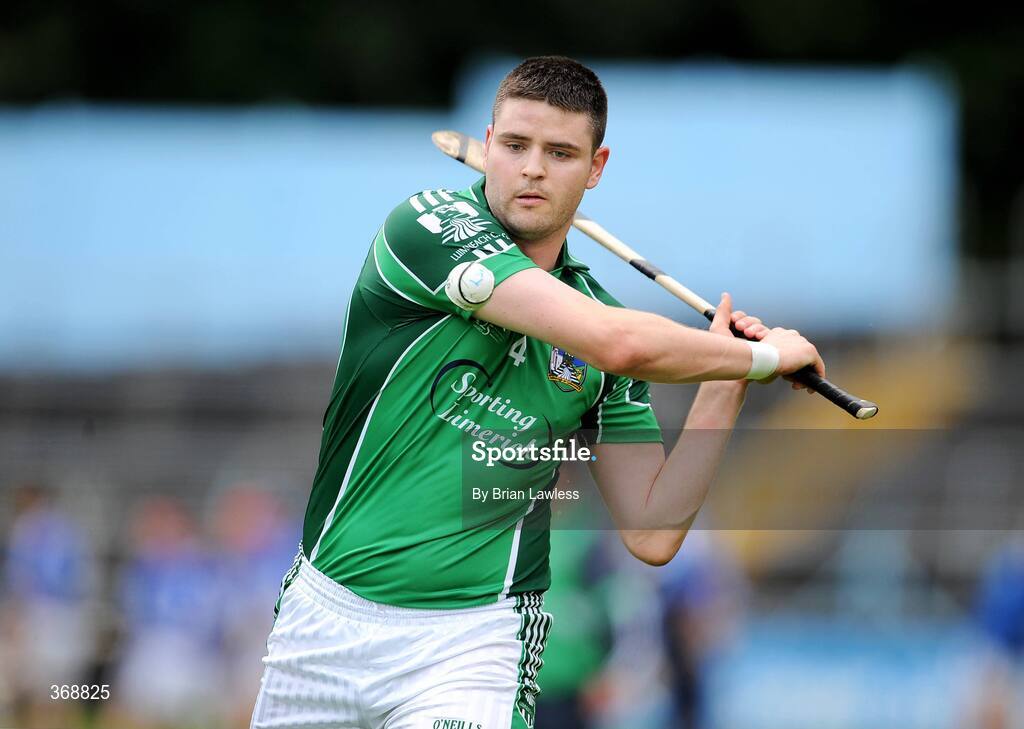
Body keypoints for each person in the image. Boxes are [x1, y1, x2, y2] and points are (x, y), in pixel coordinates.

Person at [250, 55, 824, 729]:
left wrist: (728, 382)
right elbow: (618, 341)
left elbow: (654, 529)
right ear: (487, 144)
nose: (532, 169)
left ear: (596, 168)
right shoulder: (427, 229)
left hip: (473, 645)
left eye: (560, 153)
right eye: (516, 145)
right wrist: (760, 355)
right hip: (327, 620)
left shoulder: (601, 328)